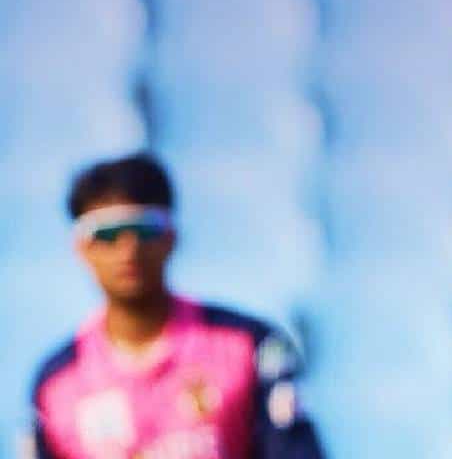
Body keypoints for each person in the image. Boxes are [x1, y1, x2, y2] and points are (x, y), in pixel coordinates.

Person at [27, 154, 324, 459]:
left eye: (144, 230)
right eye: (106, 234)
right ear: (81, 248)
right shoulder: (56, 383)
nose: (128, 249)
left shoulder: (250, 346)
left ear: (171, 237)